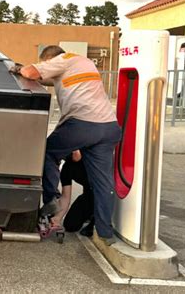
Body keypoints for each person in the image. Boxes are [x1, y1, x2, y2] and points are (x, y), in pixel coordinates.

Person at [12, 45, 121, 244]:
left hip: (82, 124)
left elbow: (31, 72)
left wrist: (19, 69)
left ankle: (51, 199)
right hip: (109, 127)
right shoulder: (84, 63)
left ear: (49, 60)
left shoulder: (63, 60)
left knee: (46, 152)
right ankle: (105, 233)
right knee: (103, 183)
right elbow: (48, 79)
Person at [51, 150, 94, 237]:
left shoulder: (92, 159)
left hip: (102, 196)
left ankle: (93, 219)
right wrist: (58, 218)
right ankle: (88, 214)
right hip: (88, 195)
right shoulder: (67, 168)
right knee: (70, 225)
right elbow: (65, 197)